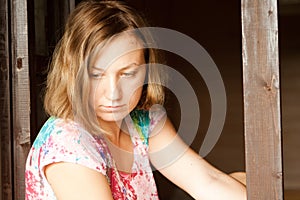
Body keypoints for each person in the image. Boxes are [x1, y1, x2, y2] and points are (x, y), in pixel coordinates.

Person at [25, 0, 246, 199]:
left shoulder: (143, 122)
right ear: (73, 74)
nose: (113, 93)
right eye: (96, 75)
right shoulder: (68, 143)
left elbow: (206, 182)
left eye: (128, 74)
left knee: (243, 181)